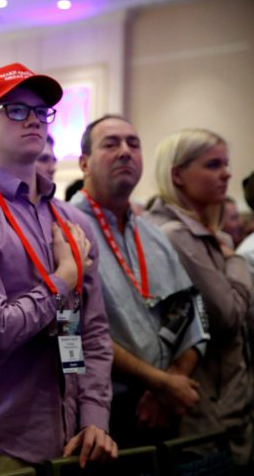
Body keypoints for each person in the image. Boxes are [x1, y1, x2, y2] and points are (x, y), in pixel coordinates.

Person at [0, 62, 117, 473]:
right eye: (16, 110)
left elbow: (93, 331)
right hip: (0, 435)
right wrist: (63, 279)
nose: (34, 120)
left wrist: (95, 417)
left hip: (77, 435)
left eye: (41, 112)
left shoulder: (72, 222)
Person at [70, 115, 208, 447]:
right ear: (84, 163)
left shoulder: (154, 236)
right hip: (99, 414)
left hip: (164, 408)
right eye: (111, 143)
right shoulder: (64, 228)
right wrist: (160, 383)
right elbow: (78, 329)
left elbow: (191, 313)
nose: (125, 152)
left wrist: (171, 382)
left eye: (133, 144)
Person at [145, 128, 254, 465]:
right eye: (213, 165)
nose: (227, 173)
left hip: (224, 409)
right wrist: (233, 257)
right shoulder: (178, 235)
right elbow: (228, 316)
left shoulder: (202, 233)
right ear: (178, 174)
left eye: (226, 163)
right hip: (203, 416)